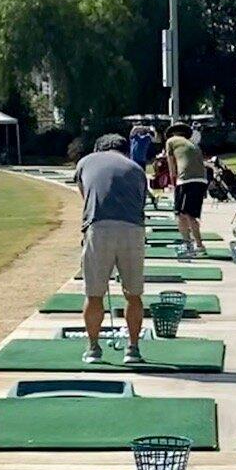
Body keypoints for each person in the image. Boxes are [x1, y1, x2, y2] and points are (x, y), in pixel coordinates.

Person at [73, 132, 147, 366]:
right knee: (133, 294)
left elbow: (85, 196)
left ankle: (93, 349)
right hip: (133, 230)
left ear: (98, 148)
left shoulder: (85, 162)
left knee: (94, 294)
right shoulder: (137, 168)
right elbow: (140, 202)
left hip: (99, 227)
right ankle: (133, 350)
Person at [165, 125, 209, 257]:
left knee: (183, 215)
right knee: (189, 214)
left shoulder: (171, 142)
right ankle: (193, 244)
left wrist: (173, 184)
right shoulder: (193, 144)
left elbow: (171, 166)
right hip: (201, 180)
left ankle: (194, 245)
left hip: (186, 180)